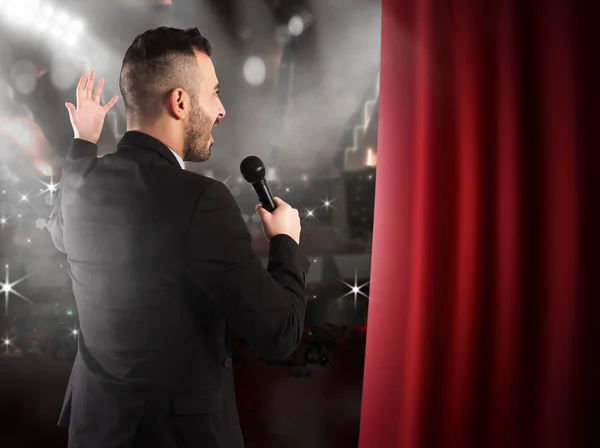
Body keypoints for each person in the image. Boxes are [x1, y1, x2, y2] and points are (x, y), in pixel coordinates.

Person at [48, 27, 310, 448]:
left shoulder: (80, 183)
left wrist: (83, 139)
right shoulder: (202, 200)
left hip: (94, 433)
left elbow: (61, 231)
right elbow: (280, 333)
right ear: (181, 102)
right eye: (215, 93)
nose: (221, 110)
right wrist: (286, 243)